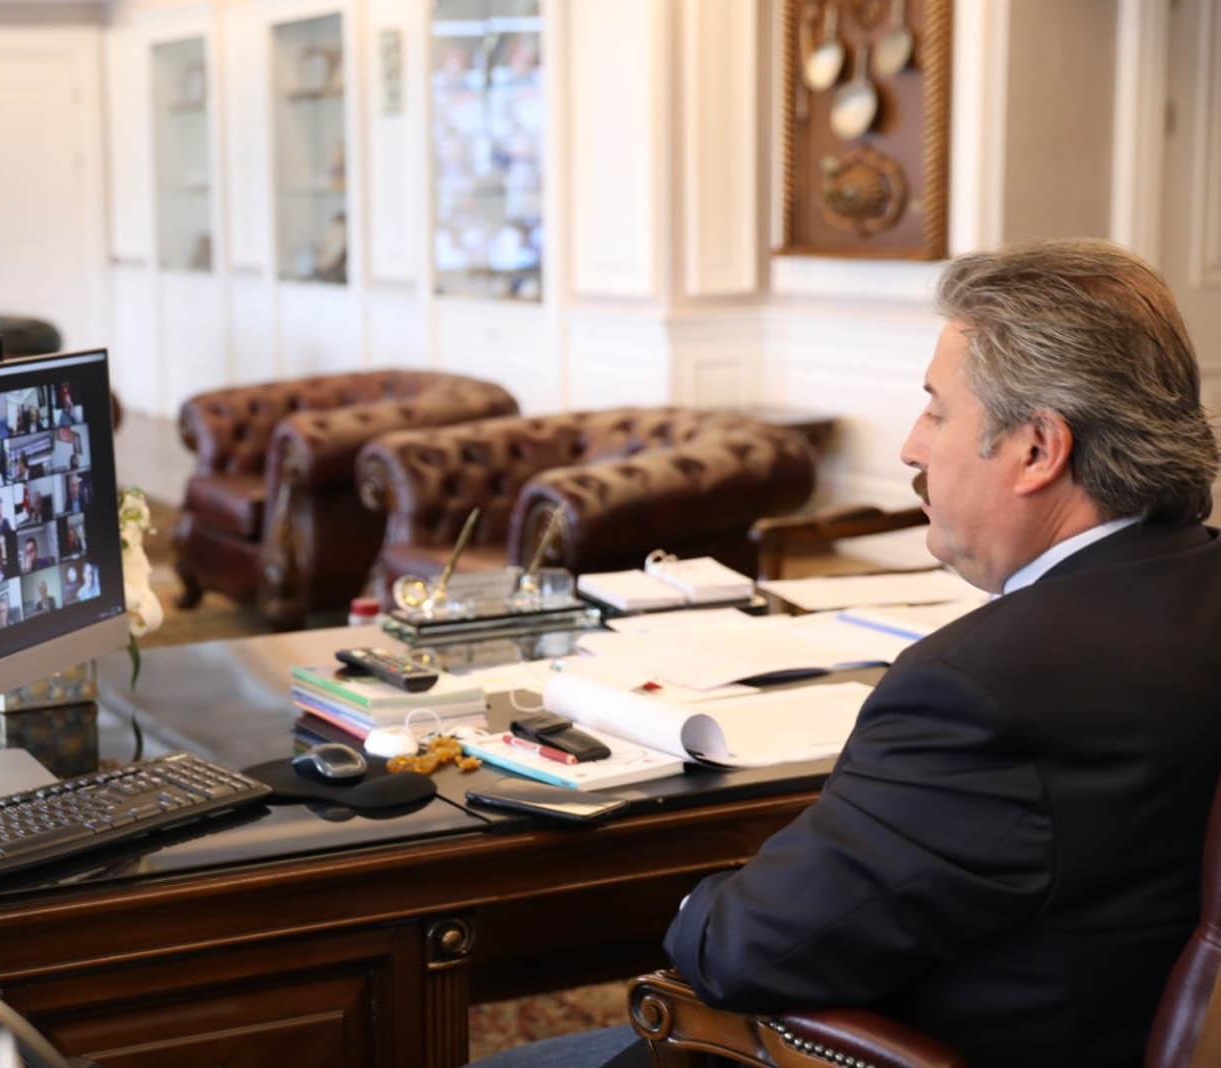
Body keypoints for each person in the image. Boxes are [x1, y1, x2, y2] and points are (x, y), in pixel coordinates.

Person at [480, 240, 1221, 1068]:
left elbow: (745, 949)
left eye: (937, 412)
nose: (911, 447)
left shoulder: (979, 690)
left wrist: (697, 902)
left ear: (1038, 450)